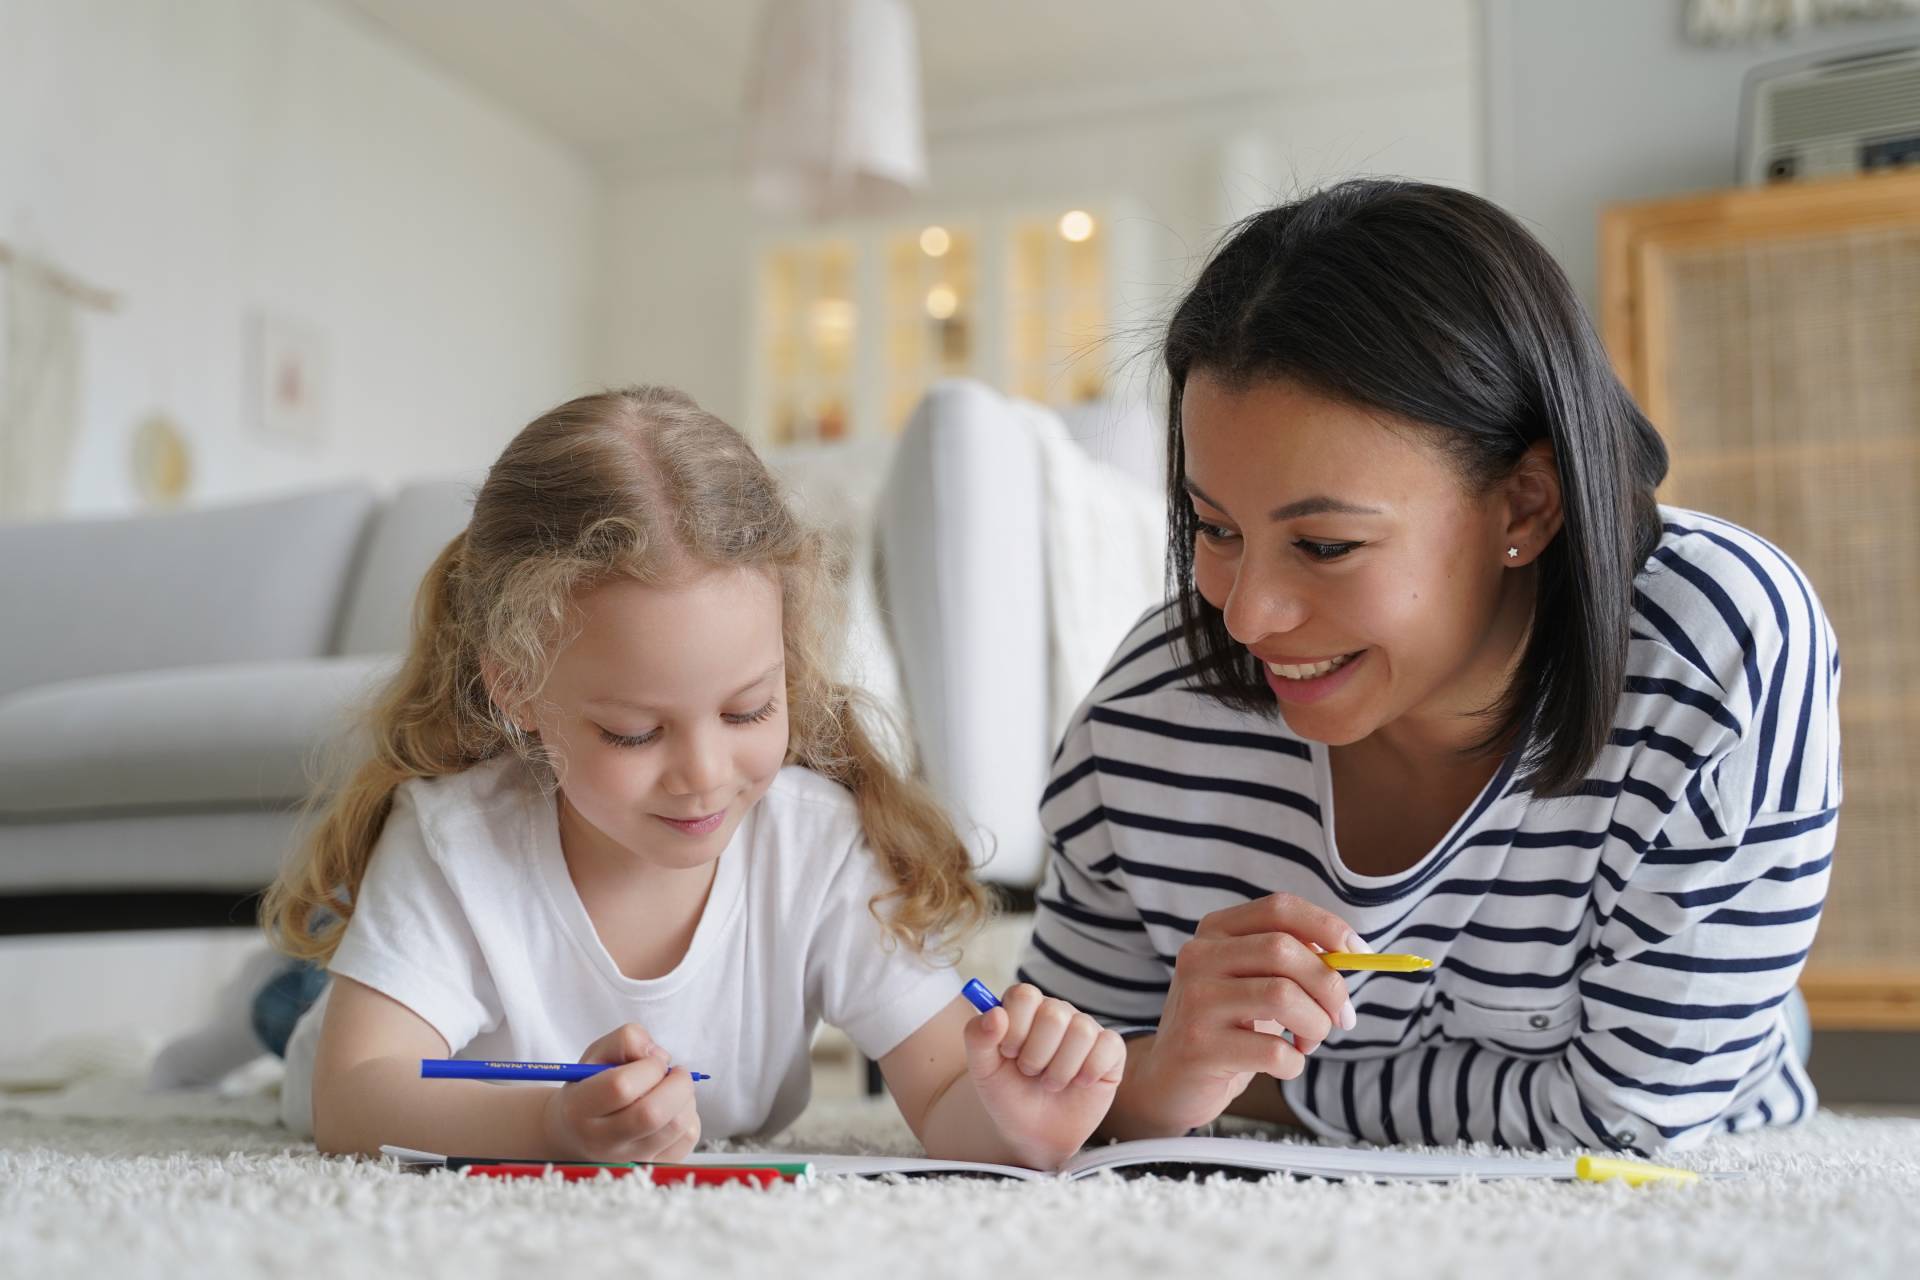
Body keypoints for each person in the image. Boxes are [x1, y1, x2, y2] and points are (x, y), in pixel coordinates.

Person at [1019, 179, 1835, 1156]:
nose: (1245, 613)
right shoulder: (1145, 721)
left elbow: (1629, 1118)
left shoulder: (1719, 649)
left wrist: (1248, 1086)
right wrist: (1160, 1074)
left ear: (1525, 506)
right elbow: (1045, 1091)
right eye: (1216, 526)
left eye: (1323, 544)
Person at [234, 385, 1120, 1168]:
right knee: (290, 1017)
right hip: (361, 1036)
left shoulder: (814, 845)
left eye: (746, 713)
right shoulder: (455, 839)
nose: (703, 777)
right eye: (633, 733)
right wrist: (551, 1124)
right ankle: (285, 985)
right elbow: (349, 1097)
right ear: (517, 689)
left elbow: (944, 1097)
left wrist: (1017, 1113)